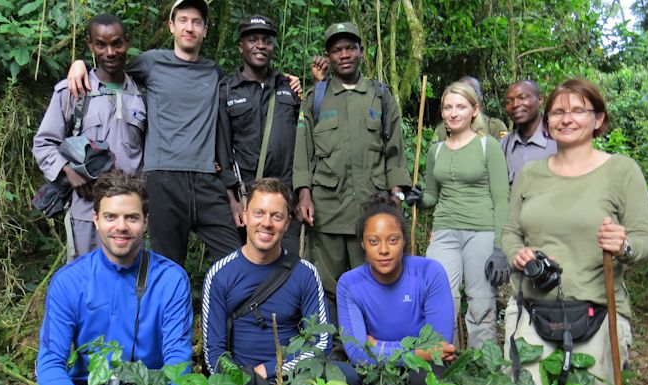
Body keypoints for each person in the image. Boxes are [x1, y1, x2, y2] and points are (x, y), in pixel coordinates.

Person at [501, 78, 648, 385]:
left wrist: (625, 246)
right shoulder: (530, 174)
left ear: (598, 119)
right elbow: (510, 233)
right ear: (547, 119)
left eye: (577, 110)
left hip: (598, 307)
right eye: (558, 111)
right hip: (533, 307)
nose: (566, 118)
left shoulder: (621, 171)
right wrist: (516, 254)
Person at [0, 171, 192, 385]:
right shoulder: (70, 281)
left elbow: (177, 360)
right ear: (96, 220)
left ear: (146, 222)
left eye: (132, 217)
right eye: (111, 217)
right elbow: (51, 363)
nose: (121, 227)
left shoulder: (171, 279)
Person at [67, 0, 241, 266]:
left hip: (207, 180)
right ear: (172, 26)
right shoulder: (151, 63)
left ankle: (231, 307)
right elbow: (110, 71)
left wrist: (288, 82)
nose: (189, 28)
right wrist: (80, 64)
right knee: (167, 266)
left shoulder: (214, 72)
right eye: (183, 20)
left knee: (235, 261)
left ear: (205, 30)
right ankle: (169, 309)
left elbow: (241, 96)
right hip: (163, 179)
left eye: (196, 22)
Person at [202, 178, 359, 385]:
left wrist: (270, 370)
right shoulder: (220, 275)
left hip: (294, 377)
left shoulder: (304, 273)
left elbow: (322, 343)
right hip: (242, 382)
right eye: (259, 213)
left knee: (347, 377)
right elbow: (214, 352)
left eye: (276, 216)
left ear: (287, 223)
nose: (267, 223)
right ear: (244, 216)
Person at [293, 21, 412, 326]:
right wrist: (303, 194)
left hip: (371, 210)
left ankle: (375, 349)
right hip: (328, 210)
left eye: (350, 48)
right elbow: (303, 150)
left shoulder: (380, 96)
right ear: (328, 57)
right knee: (328, 286)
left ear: (361, 51)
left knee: (376, 280)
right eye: (336, 50)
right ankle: (333, 352)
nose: (344, 54)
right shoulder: (315, 98)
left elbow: (394, 148)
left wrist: (397, 193)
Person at [32, 13, 145, 260]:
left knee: (129, 282)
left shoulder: (142, 93)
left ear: (127, 42)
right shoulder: (73, 91)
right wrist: (70, 173)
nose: (110, 52)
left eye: (117, 43)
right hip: (86, 210)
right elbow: (43, 143)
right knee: (86, 281)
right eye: (101, 44)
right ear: (90, 45)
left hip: (130, 214)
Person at [411, 81, 510, 350]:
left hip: (481, 230)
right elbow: (432, 195)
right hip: (444, 231)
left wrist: (500, 247)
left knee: (480, 302)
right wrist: (419, 198)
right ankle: (446, 363)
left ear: (474, 111)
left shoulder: (488, 146)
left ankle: (482, 369)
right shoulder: (437, 150)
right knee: (441, 299)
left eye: (461, 107)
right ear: (442, 112)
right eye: (448, 107)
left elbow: (502, 198)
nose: (453, 113)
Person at [337, 192, 456, 385]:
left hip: (423, 371)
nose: (383, 250)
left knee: (424, 380)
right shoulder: (350, 284)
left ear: (403, 241)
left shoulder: (429, 273)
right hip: (378, 373)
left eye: (392, 240)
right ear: (363, 244)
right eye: (374, 241)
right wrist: (420, 352)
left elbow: (440, 347)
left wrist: (378, 346)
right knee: (368, 384)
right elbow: (357, 354)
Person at [218, 14, 302, 253]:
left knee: (286, 266)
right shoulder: (226, 89)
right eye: (253, 39)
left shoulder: (288, 86)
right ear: (241, 46)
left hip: (285, 198)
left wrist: (303, 192)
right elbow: (222, 148)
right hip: (247, 199)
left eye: (266, 40)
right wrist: (232, 200)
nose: (260, 45)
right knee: (249, 265)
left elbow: (305, 141)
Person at [500, 80, 557, 185]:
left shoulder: (557, 140)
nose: (515, 104)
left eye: (522, 97)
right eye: (508, 102)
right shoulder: (504, 145)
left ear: (540, 100)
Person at [433, 76, 508, 142]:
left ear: (481, 96)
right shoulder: (442, 129)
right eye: (463, 92)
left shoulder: (494, 127)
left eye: (474, 91)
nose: (469, 95)